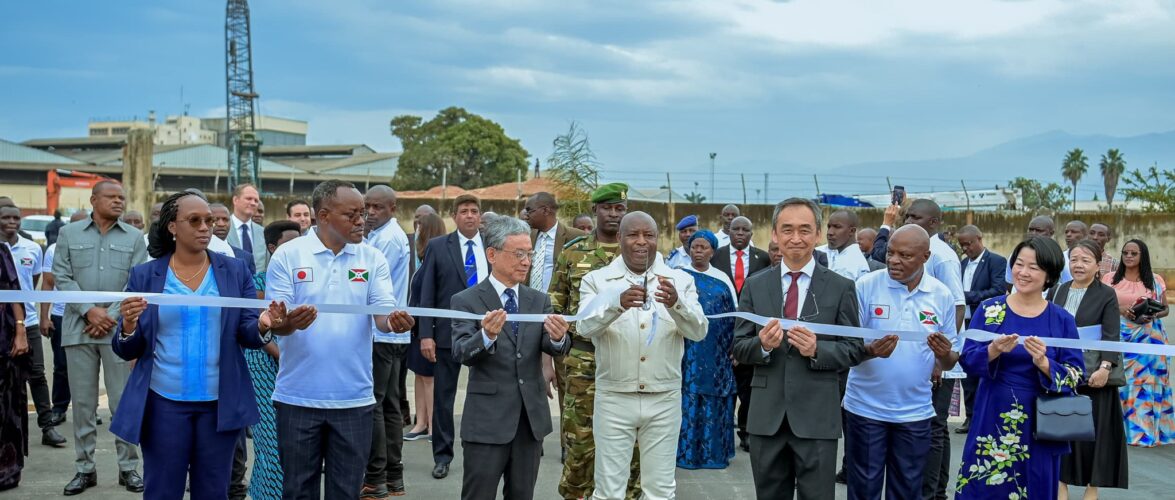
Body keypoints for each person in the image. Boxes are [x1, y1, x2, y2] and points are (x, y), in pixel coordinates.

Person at [110, 191, 287, 500]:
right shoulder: (146, 275)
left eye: (209, 220)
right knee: (162, 491)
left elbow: (246, 331)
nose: (206, 227)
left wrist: (262, 325)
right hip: (163, 403)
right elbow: (128, 348)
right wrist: (127, 326)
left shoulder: (235, 271)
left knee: (213, 491)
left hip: (219, 403)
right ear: (172, 227)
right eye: (195, 220)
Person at [265, 179, 415, 499]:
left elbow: (383, 316)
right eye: (352, 214)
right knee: (297, 491)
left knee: (346, 492)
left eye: (363, 213)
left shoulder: (372, 258)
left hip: (354, 400)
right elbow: (277, 324)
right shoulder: (288, 256)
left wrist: (395, 322)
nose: (362, 220)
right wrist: (289, 323)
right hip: (297, 399)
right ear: (323, 216)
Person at [732, 197, 867, 500]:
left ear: (817, 234)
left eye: (805, 230)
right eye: (787, 230)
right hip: (767, 418)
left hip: (817, 417)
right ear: (775, 235)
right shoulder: (755, 285)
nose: (796, 238)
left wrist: (818, 350)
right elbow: (739, 347)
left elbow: (853, 349)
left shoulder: (840, 286)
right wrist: (762, 346)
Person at [578, 212, 707, 500]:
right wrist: (615, 304)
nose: (641, 242)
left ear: (657, 238)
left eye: (648, 235)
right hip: (614, 397)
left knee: (660, 491)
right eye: (633, 235)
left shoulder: (680, 280)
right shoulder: (597, 280)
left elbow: (699, 331)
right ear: (620, 239)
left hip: (664, 399)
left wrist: (677, 305)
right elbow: (584, 326)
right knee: (609, 490)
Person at [451, 216, 571, 500]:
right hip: (487, 422)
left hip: (529, 422)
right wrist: (486, 336)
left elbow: (554, 346)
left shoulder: (538, 300)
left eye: (529, 254)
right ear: (492, 255)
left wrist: (558, 337)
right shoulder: (466, 300)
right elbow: (460, 351)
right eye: (518, 254)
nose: (526, 261)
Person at [955, 236, 1085, 499]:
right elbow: (967, 359)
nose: (1023, 273)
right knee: (985, 486)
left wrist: (1046, 364)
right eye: (1019, 264)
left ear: (1049, 274)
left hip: (1043, 421)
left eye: (1034, 267)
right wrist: (993, 350)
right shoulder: (990, 309)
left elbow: (1076, 374)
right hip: (992, 414)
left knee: (1035, 484)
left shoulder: (1061, 319)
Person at [844, 225, 958, 500]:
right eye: (891, 253)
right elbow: (847, 346)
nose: (894, 260)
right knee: (864, 489)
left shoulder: (941, 295)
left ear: (925, 257)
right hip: (865, 408)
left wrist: (943, 354)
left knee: (907, 490)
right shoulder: (866, 287)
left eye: (905, 255)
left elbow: (952, 360)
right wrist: (870, 350)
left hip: (915, 413)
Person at [53, 181, 147, 495]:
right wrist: (89, 310)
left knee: (122, 402)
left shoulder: (135, 237)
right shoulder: (69, 233)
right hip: (78, 329)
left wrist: (109, 315)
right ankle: (84, 469)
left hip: (119, 332)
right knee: (82, 404)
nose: (120, 202)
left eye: (123, 197)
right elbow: (62, 276)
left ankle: (128, 468)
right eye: (112, 197)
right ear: (94, 200)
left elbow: (137, 281)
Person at [550, 184, 642, 500]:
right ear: (595, 211)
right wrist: (547, 358)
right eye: (607, 208)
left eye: (619, 208)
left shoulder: (641, 255)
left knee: (630, 446)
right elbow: (555, 307)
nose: (614, 214)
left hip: (629, 362)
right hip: (582, 362)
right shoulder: (573, 252)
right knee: (579, 444)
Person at [416, 194, 487, 480]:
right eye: (463, 211)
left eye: (474, 211)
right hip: (446, 335)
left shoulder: (493, 245)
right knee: (444, 398)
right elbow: (426, 292)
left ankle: (484, 452)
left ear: (480, 216)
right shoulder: (437, 247)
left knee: (485, 395)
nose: (469, 216)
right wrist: (425, 335)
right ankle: (442, 456)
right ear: (454, 216)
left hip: (486, 332)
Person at [1053, 240, 1128, 499]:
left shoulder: (1106, 294)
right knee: (1061, 430)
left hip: (1094, 374)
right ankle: (1061, 485)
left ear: (1098, 265)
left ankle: (1091, 489)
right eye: (1074, 259)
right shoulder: (1059, 290)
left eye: (1085, 260)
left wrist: (1105, 367)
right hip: (1064, 374)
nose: (1078, 265)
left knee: (1094, 435)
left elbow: (1111, 334)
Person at [245, 220, 302, 500]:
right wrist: (288, 357)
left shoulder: (305, 280)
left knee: (294, 446)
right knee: (270, 442)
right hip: (265, 367)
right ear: (271, 247)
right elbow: (261, 328)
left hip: (298, 370)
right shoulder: (256, 284)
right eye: (288, 243)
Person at [362, 185, 412, 498]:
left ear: (392, 208)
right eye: (367, 206)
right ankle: (392, 476)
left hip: (383, 331)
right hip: (389, 331)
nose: (369, 213)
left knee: (376, 406)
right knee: (389, 404)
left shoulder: (389, 239)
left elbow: (368, 278)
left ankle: (376, 476)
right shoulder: (379, 235)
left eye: (377, 207)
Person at [0, 206, 66, 447]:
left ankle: (47, 427)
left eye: (15, 218)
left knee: (37, 374)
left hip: (27, 321)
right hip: (2, 325)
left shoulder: (32, 248)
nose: (11, 222)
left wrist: (37, 314)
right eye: (5, 217)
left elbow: (35, 281)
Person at [521, 192, 585, 421]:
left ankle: (567, 446)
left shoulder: (575, 238)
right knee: (525, 382)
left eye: (530, 210)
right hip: (527, 317)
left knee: (565, 385)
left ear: (547, 210)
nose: (525, 214)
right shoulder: (524, 237)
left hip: (558, 320)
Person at [1103, 239, 1173, 447]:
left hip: (1149, 338)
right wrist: (1122, 310)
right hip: (1120, 335)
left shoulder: (1155, 280)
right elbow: (1102, 304)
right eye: (1126, 252)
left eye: (1134, 253)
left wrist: (1152, 314)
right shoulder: (1109, 279)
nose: (1129, 256)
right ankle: (1118, 433)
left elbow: (1165, 309)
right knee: (1121, 383)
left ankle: (1143, 433)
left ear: (1143, 256)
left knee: (1146, 386)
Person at [677, 229, 736, 469]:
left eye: (704, 247)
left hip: (716, 352)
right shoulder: (678, 277)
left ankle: (713, 454)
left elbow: (734, 316)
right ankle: (685, 454)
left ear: (713, 251)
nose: (698, 251)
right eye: (694, 246)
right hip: (686, 350)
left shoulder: (722, 279)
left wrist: (734, 348)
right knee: (687, 396)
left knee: (714, 397)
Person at [710, 215, 770, 452]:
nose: (740, 234)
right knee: (721, 387)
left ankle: (746, 432)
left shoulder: (762, 258)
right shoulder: (716, 256)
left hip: (749, 331)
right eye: (736, 229)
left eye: (746, 230)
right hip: (721, 331)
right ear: (729, 232)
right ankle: (718, 433)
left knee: (747, 388)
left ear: (751, 234)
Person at [954, 225, 1007, 434]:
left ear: (979, 239)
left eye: (969, 243)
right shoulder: (962, 263)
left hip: (985, 323)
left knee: (982, 369)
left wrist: (967, 296)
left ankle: (984, 417)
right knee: (966, 369)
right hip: (963, 323)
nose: (966, 248)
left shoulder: (996, 261)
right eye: (962, 245)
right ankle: (970, 417)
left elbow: (997, 290)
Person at [39, 211, 90, 428]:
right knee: (61, 366)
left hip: (91, 316)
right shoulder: (53, 249)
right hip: (62, 316)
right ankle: (59, 408)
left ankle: (90, 410)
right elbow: (48, 283)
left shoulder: (95, 248)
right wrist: (44, 317)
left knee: (89, 367)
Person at [404, 212, 446, 442]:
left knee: (429, 378)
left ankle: (433, 426)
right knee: (419, 375)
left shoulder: (437, 257)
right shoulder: (421, 257)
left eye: (420, 225)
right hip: (416, 325)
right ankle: (420, 422)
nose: (416, 229)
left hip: (429, 327)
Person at [0, 242, 29, 491]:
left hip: (2, 336)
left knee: (5, 406)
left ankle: (6, 471)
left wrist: (20, 329)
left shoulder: (1, 250)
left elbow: (13, 290)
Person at [1004, 215, 1072, 292]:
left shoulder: (1058, 257)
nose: (1033, 233)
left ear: (1051, 233)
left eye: (1039, 230)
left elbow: (1067, 286)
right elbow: (1010, 283)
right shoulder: (1016, 254)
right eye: (1031, 229)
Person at [815, 210, 870, 281]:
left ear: (851, 231)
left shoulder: (858, 266)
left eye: (837, 227)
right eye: (829, 227)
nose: (829, 232)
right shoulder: (817, 252)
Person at [226, 183, 267, 272]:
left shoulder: (263, 233)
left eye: (256, 200)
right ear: (235, 200)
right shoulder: (222, 229)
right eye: (249, 199)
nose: (253, 203)